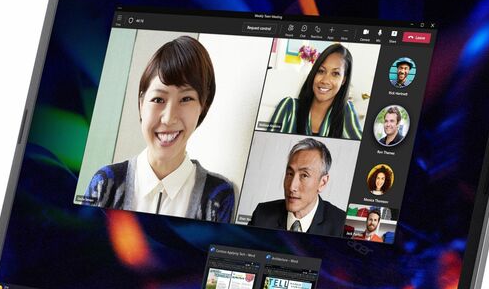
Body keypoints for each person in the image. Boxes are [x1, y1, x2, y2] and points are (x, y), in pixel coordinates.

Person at [83, 36, 235, 222]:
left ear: (203, 106)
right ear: (141, 103)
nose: (169, 118)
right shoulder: (106, 184)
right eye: (158, 99)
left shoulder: (218, 196)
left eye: (186, 99)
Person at [249, 138, 346, 236]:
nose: (292, 187)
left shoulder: (340, 225)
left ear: (322, 183)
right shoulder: (262, 215)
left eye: (304, 175)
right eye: (290, 174)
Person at [266, 43, 363, 140]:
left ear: (343, 80)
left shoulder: (346, 111)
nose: (325, 80)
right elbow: (267, 144)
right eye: (321, 71)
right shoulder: (289, 107)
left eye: (335, 73)